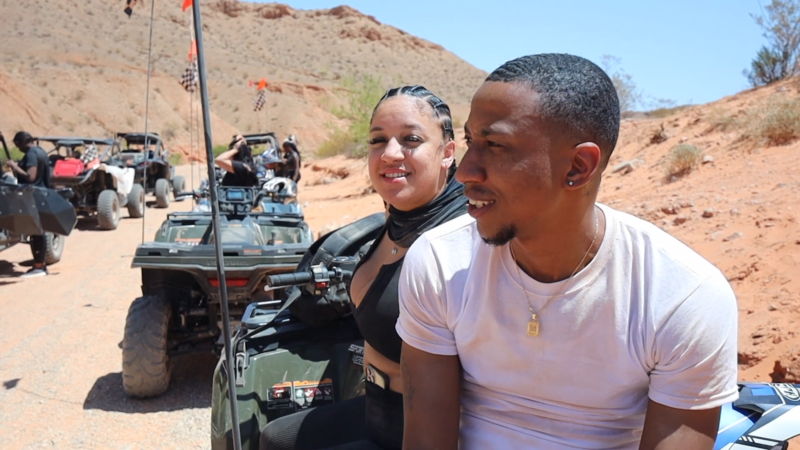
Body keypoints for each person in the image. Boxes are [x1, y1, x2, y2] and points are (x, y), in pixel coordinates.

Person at [396, 54, 739, 450]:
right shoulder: (440, 263)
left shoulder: (684, 297)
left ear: (578, 166)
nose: (465, 172)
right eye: (471, 142)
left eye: (494, 145)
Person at [260, 86, 467, 450]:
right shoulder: (393, 221)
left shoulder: (461, 240)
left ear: (447, 152)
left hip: (421, 428)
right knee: (274, 438)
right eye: (377, 140)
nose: (389, 153)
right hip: (373, 405)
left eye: (410, 139)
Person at [7, 131, 52, 278]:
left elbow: (30, 177)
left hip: (34, 196)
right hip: (41, 195)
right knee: (38, 231)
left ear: (21, 143)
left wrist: (14, 166)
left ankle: (39, 267)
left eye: (17, 145)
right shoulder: (41, 151)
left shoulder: (32, 154)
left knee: (36, 232)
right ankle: (40, 265)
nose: (18, 149)